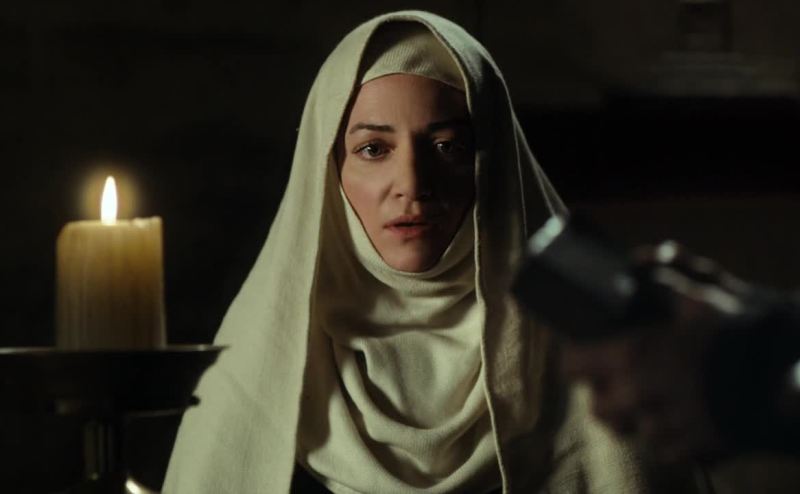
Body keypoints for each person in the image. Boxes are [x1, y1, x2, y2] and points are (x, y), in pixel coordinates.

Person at [164, 11, 696, 493]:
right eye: (374, 149)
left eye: (448, 147)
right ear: (328, 171)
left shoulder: (595, 349)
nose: (413, 184)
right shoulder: (259, 362)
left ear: (493, 166)